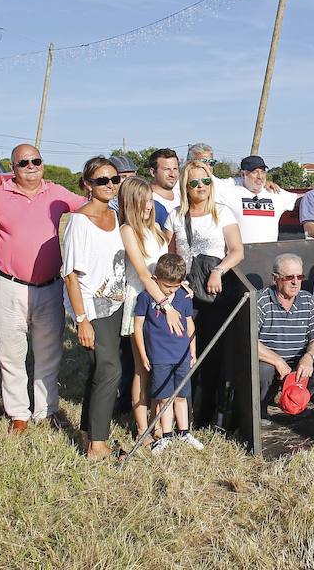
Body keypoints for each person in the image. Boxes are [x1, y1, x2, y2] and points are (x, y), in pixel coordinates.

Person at [0, 144, 85, 435]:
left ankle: (46, 410)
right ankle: (18, 414)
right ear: (13, 168)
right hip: (10, 287)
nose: (31, 166)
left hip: (50, 287)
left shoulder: (57, 193)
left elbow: (90, 208)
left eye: (36, 160)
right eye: (23, 162)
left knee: (48, 353)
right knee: (11, 353)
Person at [165, 160, 244, 426]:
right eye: (194, 182)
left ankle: (206, 414)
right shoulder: (175, 216)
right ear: (185, 187)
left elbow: (236, 250)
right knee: (183, 352)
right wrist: (175, 283)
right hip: (184, 293)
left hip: (214, 294)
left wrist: (218, 270)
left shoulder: (222, 213)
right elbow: (169, 254)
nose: (201, 187)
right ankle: (181, 413)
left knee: (211, 354)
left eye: (206, 181)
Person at [62, 156, 127, 459]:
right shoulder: (79, 221)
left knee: (100, 370)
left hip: (116, 306)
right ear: (87, 184)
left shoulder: (116, 216)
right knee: (111, 370)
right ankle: (98, 445)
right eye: (102, 180)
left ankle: (89, 431)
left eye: (114, 179)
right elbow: (70, 275)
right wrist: (81, 320)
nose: (110, 185)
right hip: (91, 308)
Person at [118, 177, 181, 442]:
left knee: (160, 365)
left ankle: (160, 422)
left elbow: (164, 268)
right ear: (130, 202)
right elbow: (144, 274)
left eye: (149, 199)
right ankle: (143, 427)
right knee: (142, 367)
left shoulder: (155, 228)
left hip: (164, 298)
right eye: (141, 200)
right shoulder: (127, 230)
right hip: (142, 303)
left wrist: (180, 286)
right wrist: (166, 306)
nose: (147, 205)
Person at [132, 253, 201, 454]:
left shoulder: (183, 297)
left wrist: (193, 351)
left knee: (181, 396)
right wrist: (143, 355)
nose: (172, 290)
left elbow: (189, 324)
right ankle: (166, 435)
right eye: (167, 287)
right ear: (155, 279)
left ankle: (184, 432)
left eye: (176, 286)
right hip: (160, 357)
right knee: (164, 398)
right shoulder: (146, 298)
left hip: (182, 356)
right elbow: (138, 326)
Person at [256, 254, 314, 419]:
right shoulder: (261, 301)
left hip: (297, 362)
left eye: (300, 276)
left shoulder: (307, 299)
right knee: (264, 370)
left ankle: (297, 401)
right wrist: (277, 360)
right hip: (270, 362)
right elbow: (250, 342)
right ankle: (262, 408)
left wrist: (309, 357)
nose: (295, 281)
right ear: (275, 278)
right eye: (289, 277)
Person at [215, 155, 299, 243]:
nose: (260, 176)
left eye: (262, 172)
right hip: (239, 254)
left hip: (269, 254)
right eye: (255, 172)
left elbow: (304, 198)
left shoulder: (274, 192)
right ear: (243, 174)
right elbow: (207, 183)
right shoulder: (230, 192)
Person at [148, 148, 181, 227]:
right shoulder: (146, 200)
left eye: (175, 169)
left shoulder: (183, 196)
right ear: (153, 172)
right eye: (167, 169)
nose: (172, 174)